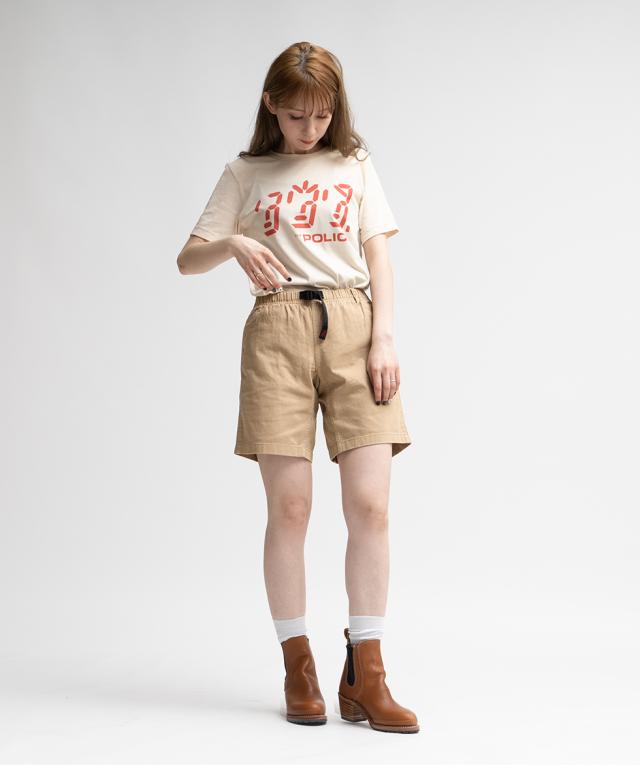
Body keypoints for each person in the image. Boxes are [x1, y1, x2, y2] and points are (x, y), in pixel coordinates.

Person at [177, 41, 419, 734]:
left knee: (371, 505)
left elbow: (380, 257)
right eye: (296, 116)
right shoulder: (246, 172)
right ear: (271, 105)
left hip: (354, 324)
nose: (310, 128)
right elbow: (188, 259)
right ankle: (298, 665)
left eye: (322, 115)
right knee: (290, 508)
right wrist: (232, 244)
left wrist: (384, 337)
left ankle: (367, 672)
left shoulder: (355, 164)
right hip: (276, 328)